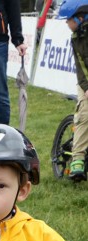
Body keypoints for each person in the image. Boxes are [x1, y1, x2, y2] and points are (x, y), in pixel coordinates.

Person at [60, 0, 88, 181]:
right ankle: (77, 159)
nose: (66, 23)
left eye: (67, 19)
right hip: (85, 81)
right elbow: (80, 67)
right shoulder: (76, 37)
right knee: (85, 114)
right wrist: (86, 88)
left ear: (80, 18)